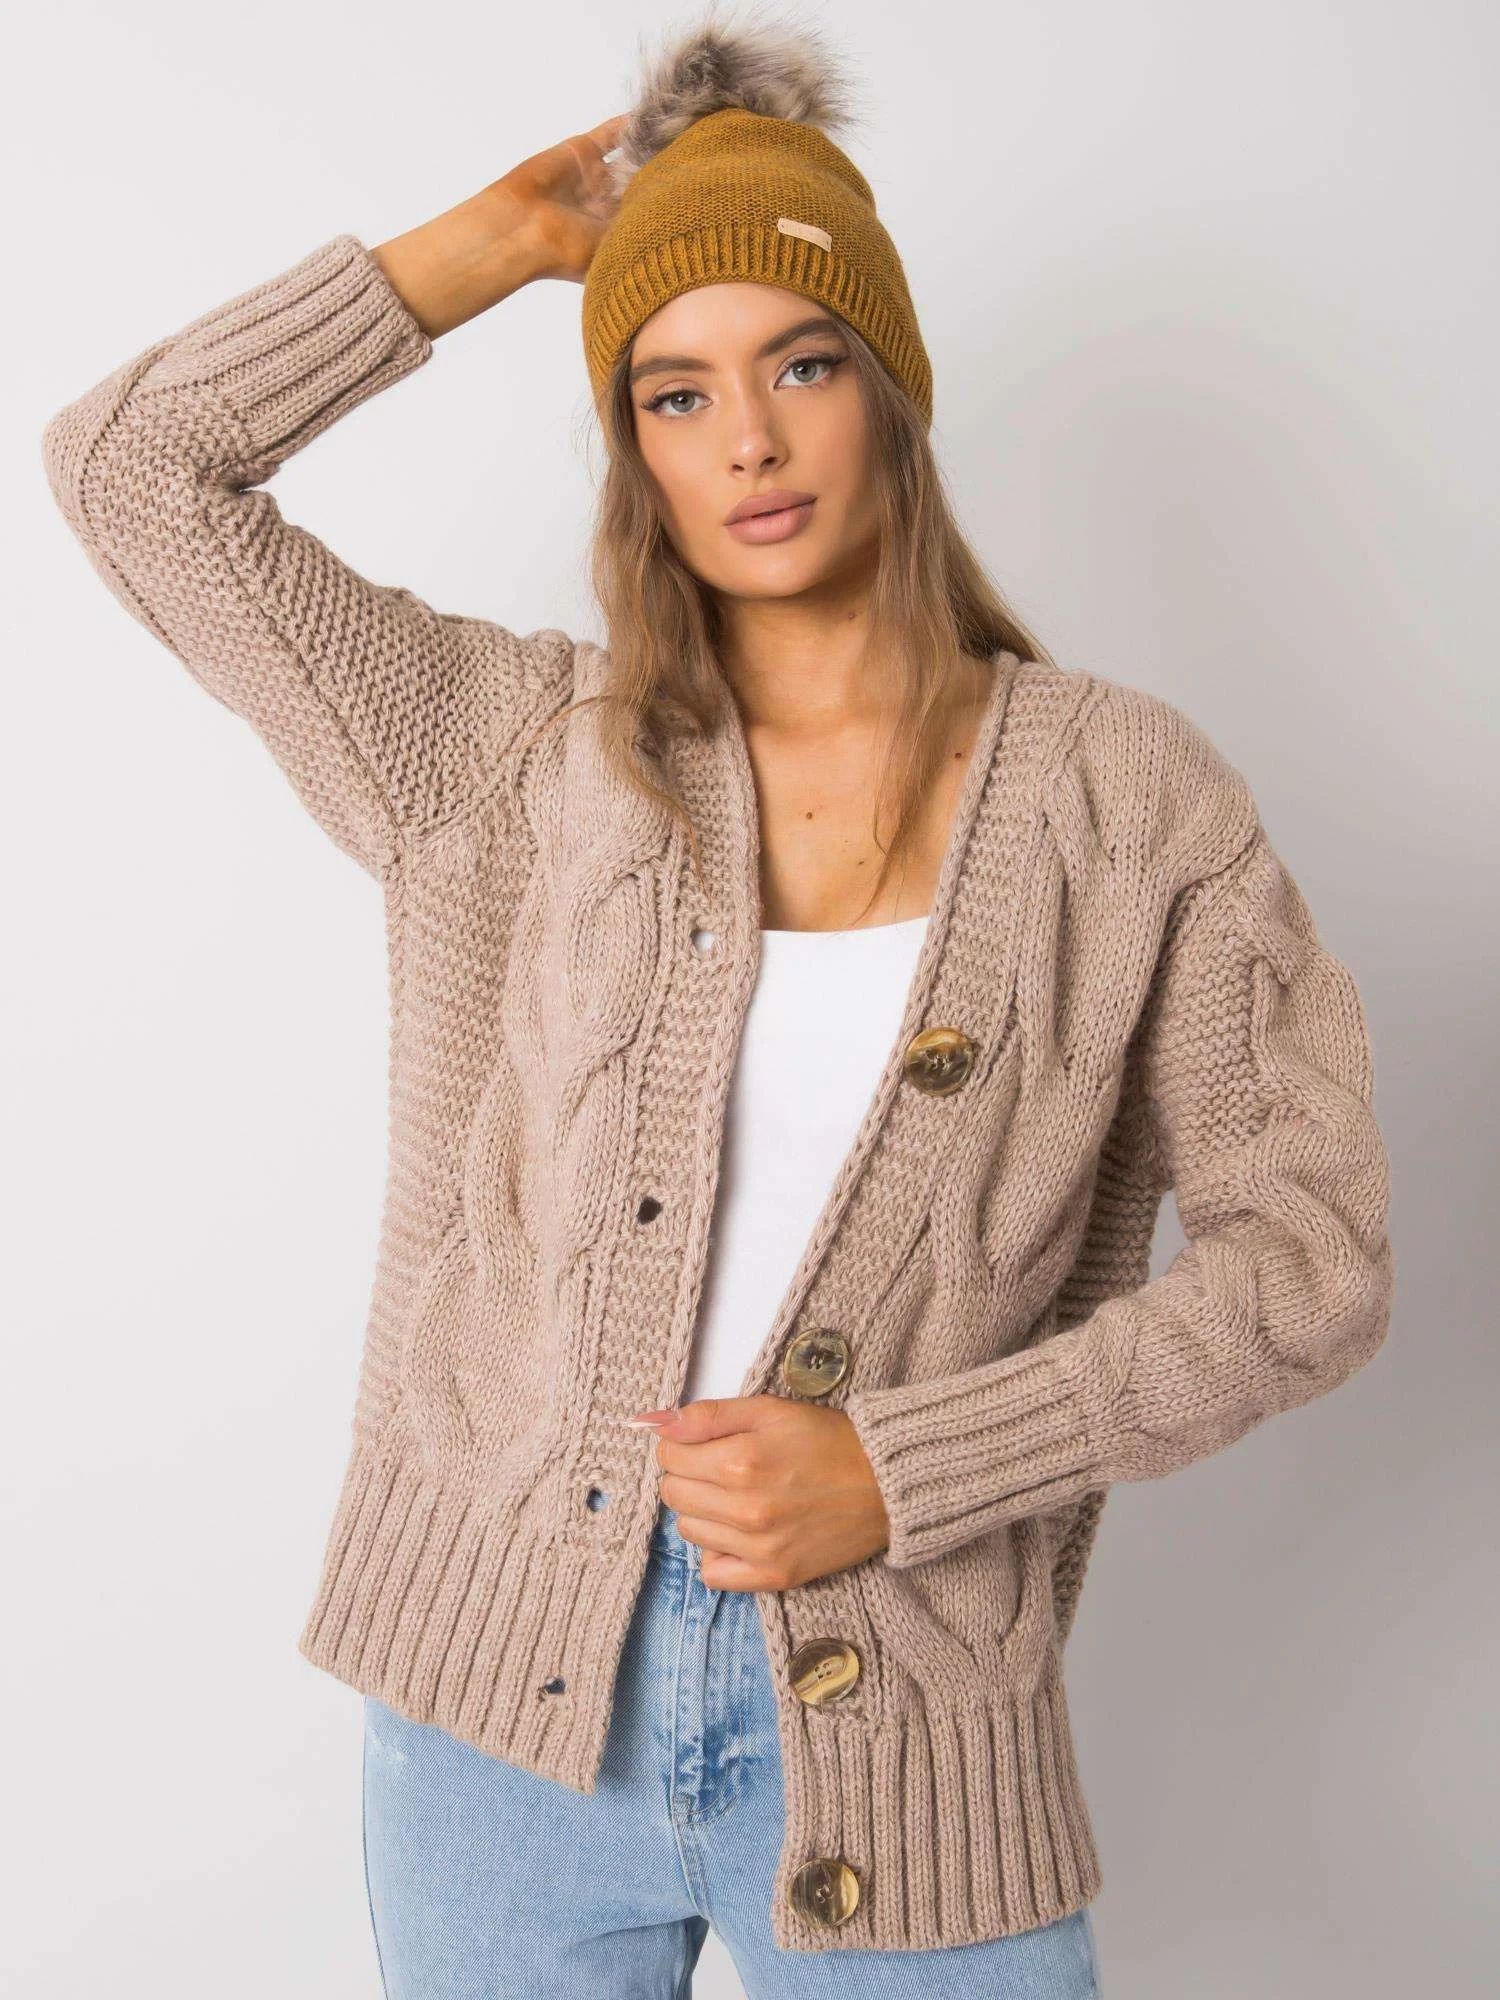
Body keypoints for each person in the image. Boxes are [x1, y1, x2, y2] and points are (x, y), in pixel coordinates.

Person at [39, 19, 1395, 1999]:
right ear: (635, 449)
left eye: (802, 363)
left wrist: (910, 1464)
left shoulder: (1130, 799)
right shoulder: (511, 752)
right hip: (496, 1719)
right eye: (675, 394)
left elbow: (1316, 1258)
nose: (747, 440)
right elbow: (129, 468)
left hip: (917, 1722)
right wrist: (489, 249)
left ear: (892, 391)